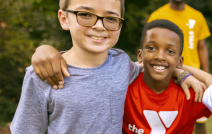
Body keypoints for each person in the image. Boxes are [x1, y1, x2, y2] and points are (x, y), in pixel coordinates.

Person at [10, 0, 142, 133]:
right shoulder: (42, 74)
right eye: (85, 14)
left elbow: (155, 68)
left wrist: (43, 49)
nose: (99, 26)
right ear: (64, 19)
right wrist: (42, 49)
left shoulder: (123, 63)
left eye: (111, 18)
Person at [123, 19, 212, 134]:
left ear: (180, 61)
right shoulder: (124, 87)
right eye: (151, 48)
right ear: (140, 55)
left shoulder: (191, 93)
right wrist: (176, 70)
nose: (160, 56)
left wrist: (179, 71)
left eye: (170, 51)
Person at [147, 1, 211, 131]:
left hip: (194, 75)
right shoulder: (157, 15)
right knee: (168, 118)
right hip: (167, 74)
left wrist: (205, 75)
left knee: (200, 120)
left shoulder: (197, 16)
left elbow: (202, 47)